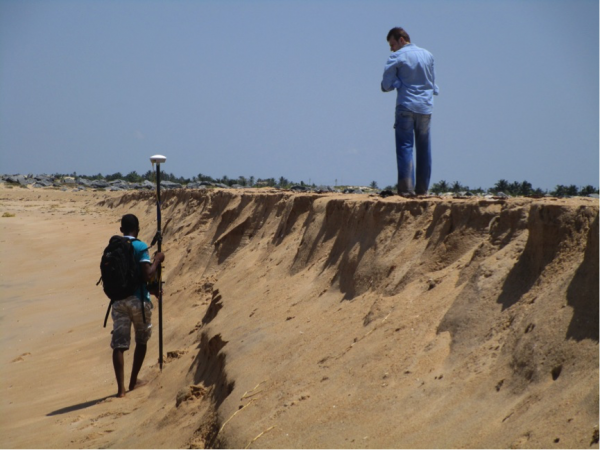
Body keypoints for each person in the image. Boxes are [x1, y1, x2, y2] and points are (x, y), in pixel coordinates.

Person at [111, 214, 164, 398]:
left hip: (117, 301)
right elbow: (148, 274)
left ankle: (121, 390)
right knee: (141, 340)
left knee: (119, 344)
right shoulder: (140, 246)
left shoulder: (114, 246)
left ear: (121, 230)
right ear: (138, 228)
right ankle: (133, 381)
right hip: (138, 300)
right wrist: (157, 259)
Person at [381, 27, 439, 196]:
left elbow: (386, 85)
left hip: (406, 105)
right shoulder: (428, 55)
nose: (392, 48)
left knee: (405, 146)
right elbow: (432, 83)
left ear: (401, 40)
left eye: (392, 44)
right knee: (424, 148)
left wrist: (398, 83)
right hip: (426, 107)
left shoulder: (397, 56)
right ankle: (422, 190)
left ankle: (406, 190)